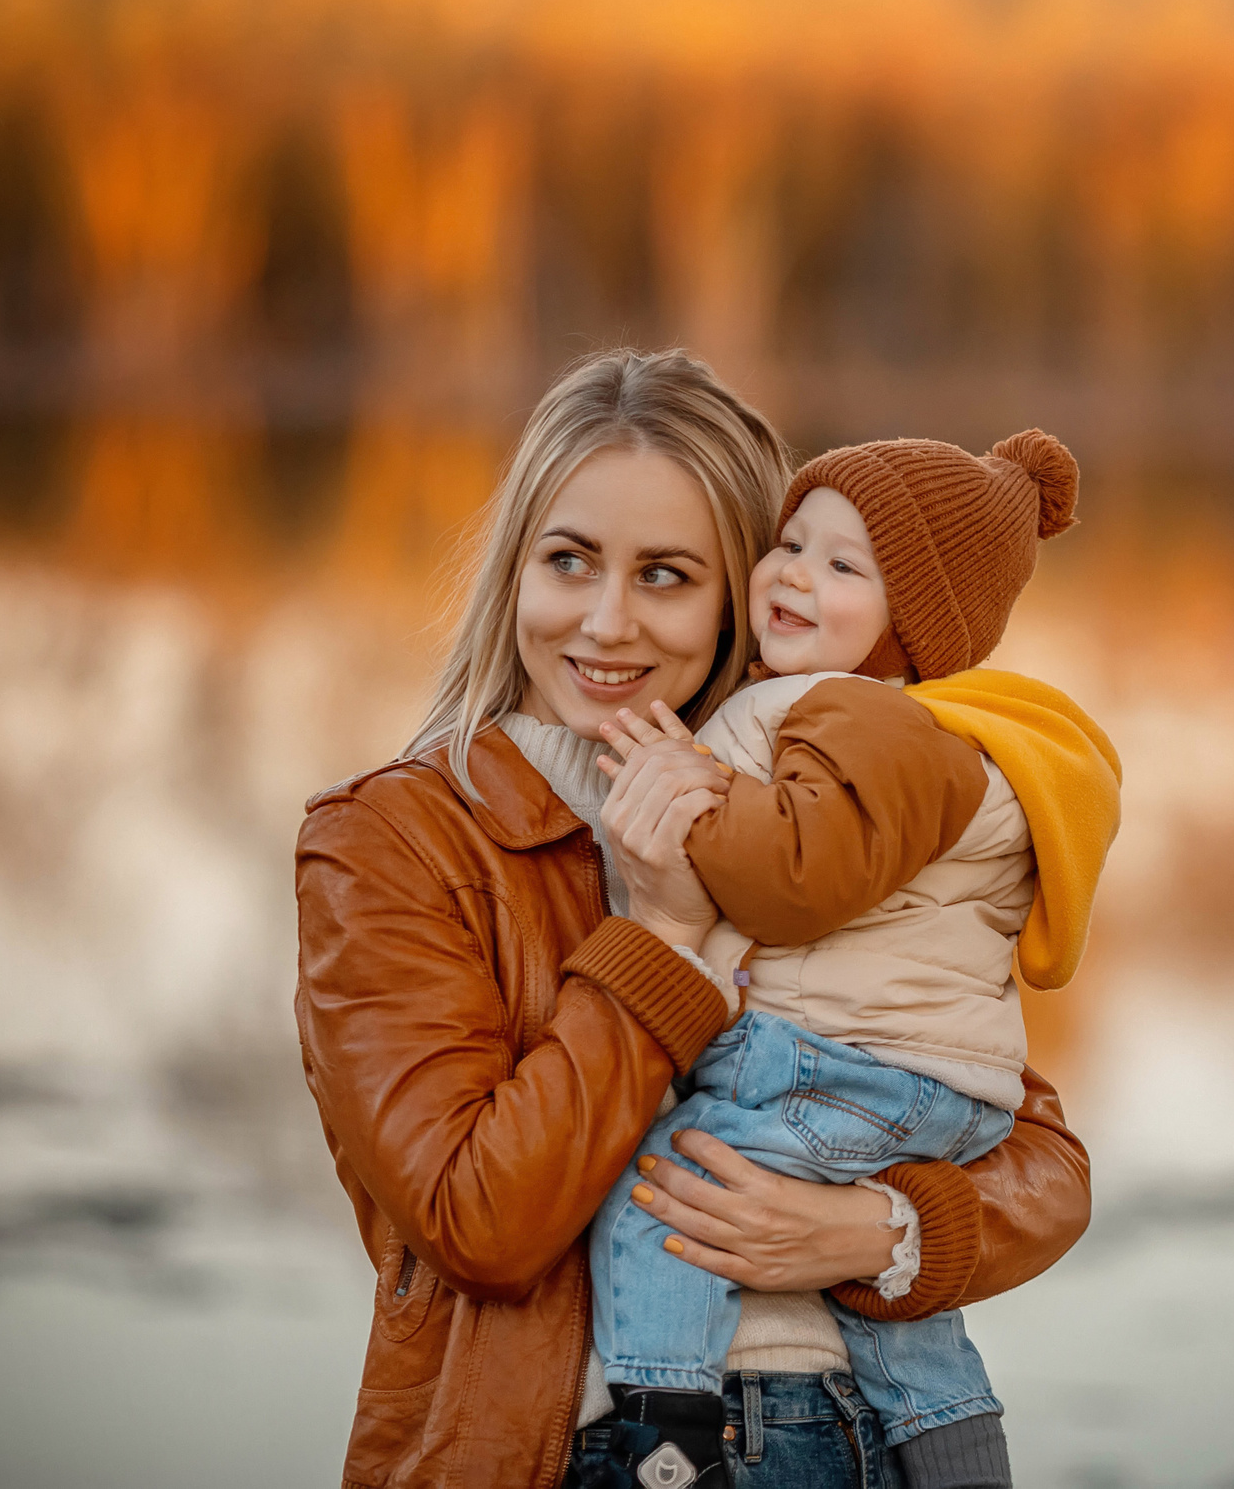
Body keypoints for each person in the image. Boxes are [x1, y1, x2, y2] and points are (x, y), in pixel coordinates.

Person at [293, 350, 1092, 1489]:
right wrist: (663, 939)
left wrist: (878, 1233)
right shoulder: (398, 841)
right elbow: (478, 1220)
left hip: (858, 1439)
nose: (607, 623)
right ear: (513, 571)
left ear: (744, 596)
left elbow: (1038, 1153)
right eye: (568, 561)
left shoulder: (802, 816)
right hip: (573, 1448)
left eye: (666, 575)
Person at [581, 431, 1120, 1488]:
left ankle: (662, 1434)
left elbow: (795, 880)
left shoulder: (859, 720)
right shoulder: (906, 728)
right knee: (882, 1301)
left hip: (841, 1068)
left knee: (670, 1186)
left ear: (915, 621)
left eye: (844, 565)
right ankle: (953, 1446)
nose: (791, 574)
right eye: (790, 542)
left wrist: (688, 792)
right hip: (930, 1084)